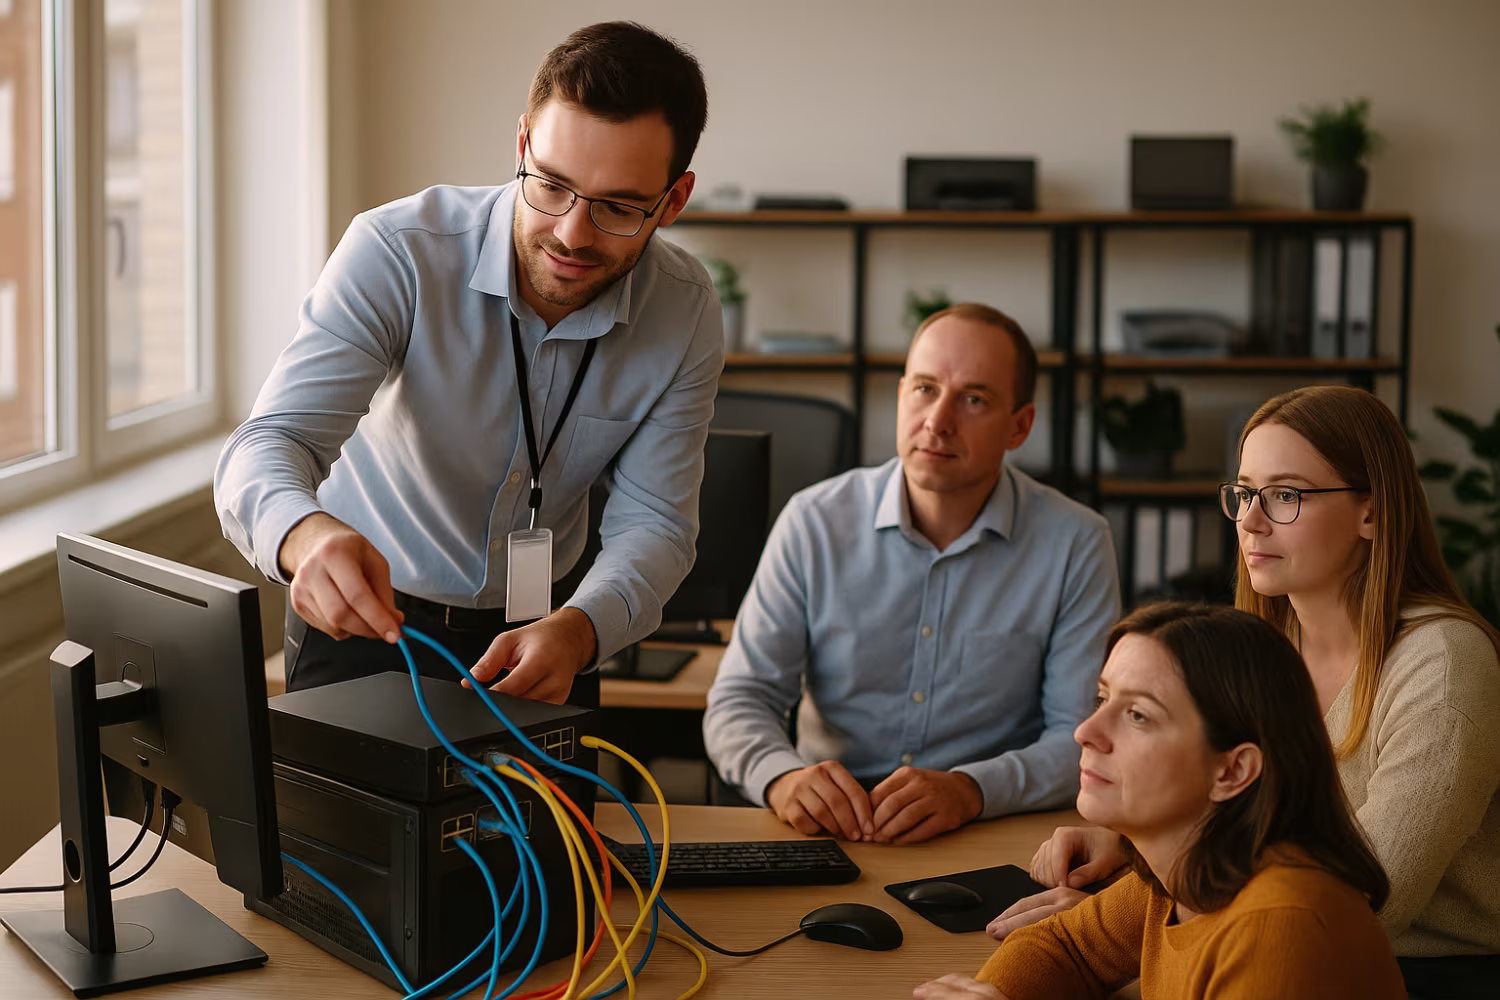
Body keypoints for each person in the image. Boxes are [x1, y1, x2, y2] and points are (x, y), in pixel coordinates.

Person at [215, 22, 722, 708]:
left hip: (556, 633)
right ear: (521, 146)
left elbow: (656, 523)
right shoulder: (399, 252)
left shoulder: (684, 309)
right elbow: (270, 442)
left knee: (552, 823)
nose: (572, 232)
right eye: (552, 185)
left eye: (619, 207)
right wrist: (303, 537)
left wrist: (580, 630)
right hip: (370, 626)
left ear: (674, 201)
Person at [993, 386, 1500, 999]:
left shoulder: (1442, 665)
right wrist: (1140, 841)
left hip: (1427, 971)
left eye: (1286, 495)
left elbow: (1361, 895)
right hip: (1261, 929)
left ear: (1372, 511)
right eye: (1244, 493)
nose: (1250, 521)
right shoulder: (1270, 642)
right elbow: (1241, 833)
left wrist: (1157, 891)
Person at [702, 303, 1120, 845]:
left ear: (1020, 426)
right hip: (829, 828)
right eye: (925, 389)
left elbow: (1080, 738)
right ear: (901, 397)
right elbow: (740, 699)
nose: (938, 422)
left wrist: (972, 789)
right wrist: (782, 779)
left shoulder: (1076, 542)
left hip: (983, 831)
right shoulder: (815, 522)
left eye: (973, 399)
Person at [914, 601, 1406, 1000]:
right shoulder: (1188, 870)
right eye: (1103, 700)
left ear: (1232, 770)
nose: (1086, 732)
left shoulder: (1281, 933)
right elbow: (1067, 946)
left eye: (1138, 716)